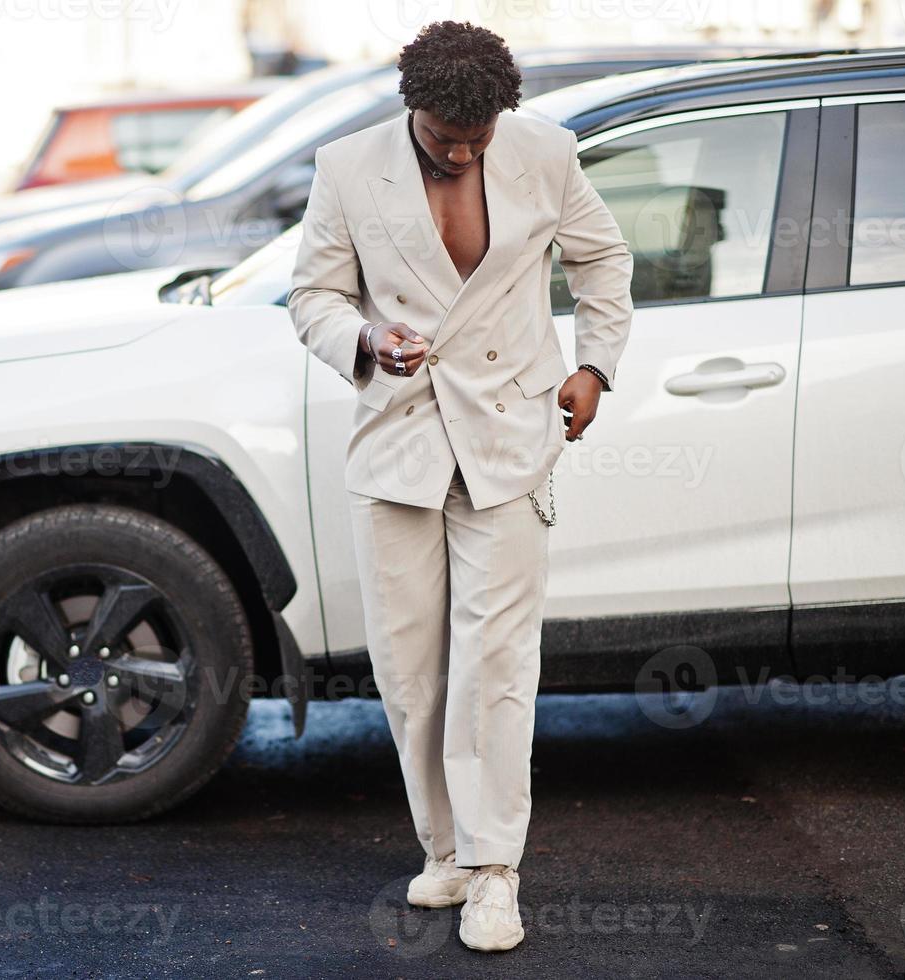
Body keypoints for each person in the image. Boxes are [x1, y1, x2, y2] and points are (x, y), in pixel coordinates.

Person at [287, 20, 633, 953]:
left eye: (478, 138)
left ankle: (494, 872)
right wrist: (364, 341)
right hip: (396, 442)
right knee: (408, 668)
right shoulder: (347, 167)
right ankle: (443, 850)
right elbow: (311, 296)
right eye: (446, 137)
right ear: (412, 107)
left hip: (510, 438)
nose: (463, 152)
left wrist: (594, 365)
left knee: (495, 663)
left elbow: (602, 259)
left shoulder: (543, 153)